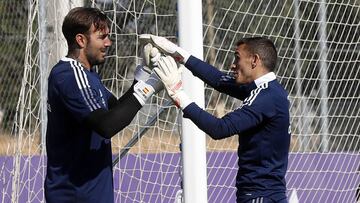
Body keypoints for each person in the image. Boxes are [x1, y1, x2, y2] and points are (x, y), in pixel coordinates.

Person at [142, 34, 291, 203]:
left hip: (261, 195)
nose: (232, 65)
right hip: (266, 194)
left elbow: (220, 128)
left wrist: (177, 94)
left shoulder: (265, 96)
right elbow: (219, 80)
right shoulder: (270, 90)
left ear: (254, 60)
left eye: (237, 58)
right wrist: (177, 52)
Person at [45, 7, 162, 203]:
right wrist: (148, 89)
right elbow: (106, 126)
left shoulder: (88, 75)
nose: (108, 43)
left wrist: (143, 75)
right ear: (81, 40)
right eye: (102, 37)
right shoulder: (68, 76)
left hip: (93, 195)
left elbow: (116, 110)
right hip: (75, 196)